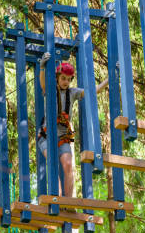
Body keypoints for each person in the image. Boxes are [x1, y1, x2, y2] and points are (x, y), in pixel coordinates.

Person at [38, 52, 106, 198]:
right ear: (57, 77)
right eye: (63, 78)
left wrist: (108, 80)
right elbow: (43, 83)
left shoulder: (73, 93)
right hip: (46, 135)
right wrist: (42, 67)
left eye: (68, 80)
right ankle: (57, 196)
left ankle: (68, 201)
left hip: (63, 136)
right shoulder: (50, 89)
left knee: (68, 165)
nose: (65, 82)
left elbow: (92, 92)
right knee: (52, 163)